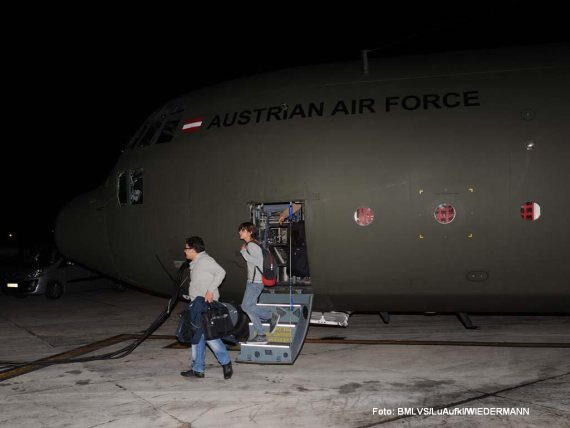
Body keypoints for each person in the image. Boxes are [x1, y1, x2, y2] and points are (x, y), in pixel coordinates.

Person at [180, 236, 233, 379]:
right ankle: (198, 369)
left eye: (186, 248)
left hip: (206, 305)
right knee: (197, 336)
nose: (184, 251)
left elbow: (221, 272)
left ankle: (226, 362)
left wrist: (210, 290)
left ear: (193, 249)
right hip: (197, 305)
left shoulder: (205, 261)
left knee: (209, 336)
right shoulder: (196, 262)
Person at [238, 222, 280, 344]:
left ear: (250, 232)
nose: (240, 232)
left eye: (243, 230)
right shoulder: (252, 245)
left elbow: (258, 262)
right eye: (240, 230)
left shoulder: (251, 246)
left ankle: (270, 315)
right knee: (249, 309)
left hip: (255, 282)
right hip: (253, 281)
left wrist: (243, 252)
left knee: (246, 306)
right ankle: (261, 335)